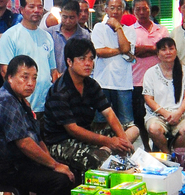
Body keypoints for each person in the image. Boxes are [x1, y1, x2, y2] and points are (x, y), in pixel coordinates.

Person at [0, 55, 74, 195]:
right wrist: (53, 165)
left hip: (21, 162)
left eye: (34, 78)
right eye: (24, 77)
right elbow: (24, 144)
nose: (30, 83)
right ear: (10, 77)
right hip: (5, 167)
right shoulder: (5, 101)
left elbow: (37, 139)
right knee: (59, 181)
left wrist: (54, 163)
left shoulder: (21, 101)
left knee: (68, 169)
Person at [41, 38, 136, 174]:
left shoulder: (91, 84)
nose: (88, 64)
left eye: (91, 59)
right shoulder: (59, 91)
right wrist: (109, 141)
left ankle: (106, 151)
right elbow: (73, 130)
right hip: (61, 142)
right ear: (69, 62)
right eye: (82, 59)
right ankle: (106, 152)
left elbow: (108, 113)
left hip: (86, 134)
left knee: (132, 130)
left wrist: (123, 141)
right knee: (99, 160)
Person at [0, 0, 59, 112]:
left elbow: (53, 71)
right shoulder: (10, 36)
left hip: (46, 105)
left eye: (40, 7)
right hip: (21, 106)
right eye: (31, 7)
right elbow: (5, 71)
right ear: (21, 10)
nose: (36, 10)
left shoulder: (47, 37)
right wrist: (20, 99)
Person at [130, 0, 170, 149]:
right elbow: (134, 51)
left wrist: (146, 49)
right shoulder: (130, 31)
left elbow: (166, 51)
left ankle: (158, 148)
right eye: (138, 9)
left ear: (150, 10)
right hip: (137, 81)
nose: (141, 12)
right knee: (140, 118)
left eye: (144, 8)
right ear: (133, 11)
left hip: (160, 81)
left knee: (160, 116)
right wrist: (155, 48)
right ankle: (146, 148)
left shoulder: (162, 30)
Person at [91, 0, 134, 126]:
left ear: (124, 11)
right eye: (112, 8)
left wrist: (118, 27)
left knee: (126, 124)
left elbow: (126, 48)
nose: (115, 11)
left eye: (119, 8)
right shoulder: (98, 28)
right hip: (102, 83)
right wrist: (121, 50)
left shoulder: (131, 31)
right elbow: (100, 52)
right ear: (106, 10)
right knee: (101, 123)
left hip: (123, 84)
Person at [142, 37, 185, 153]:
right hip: (158, 115)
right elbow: (148, 98)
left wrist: (178, 113)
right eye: (163, 49)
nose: (168, 52)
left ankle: (176, 152)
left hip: (181, 115)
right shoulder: (150, 73)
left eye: (171, 48)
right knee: (154, 129)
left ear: (176, 51)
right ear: (158, 54)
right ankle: (166, 153)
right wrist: (165, 113)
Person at [48, 0, 90, 73]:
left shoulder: (85, 36)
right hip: (54, 80)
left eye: (71, 18)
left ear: (78, 16)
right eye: (65, 17)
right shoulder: (50, 33)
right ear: (60, 14)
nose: (68, 21)